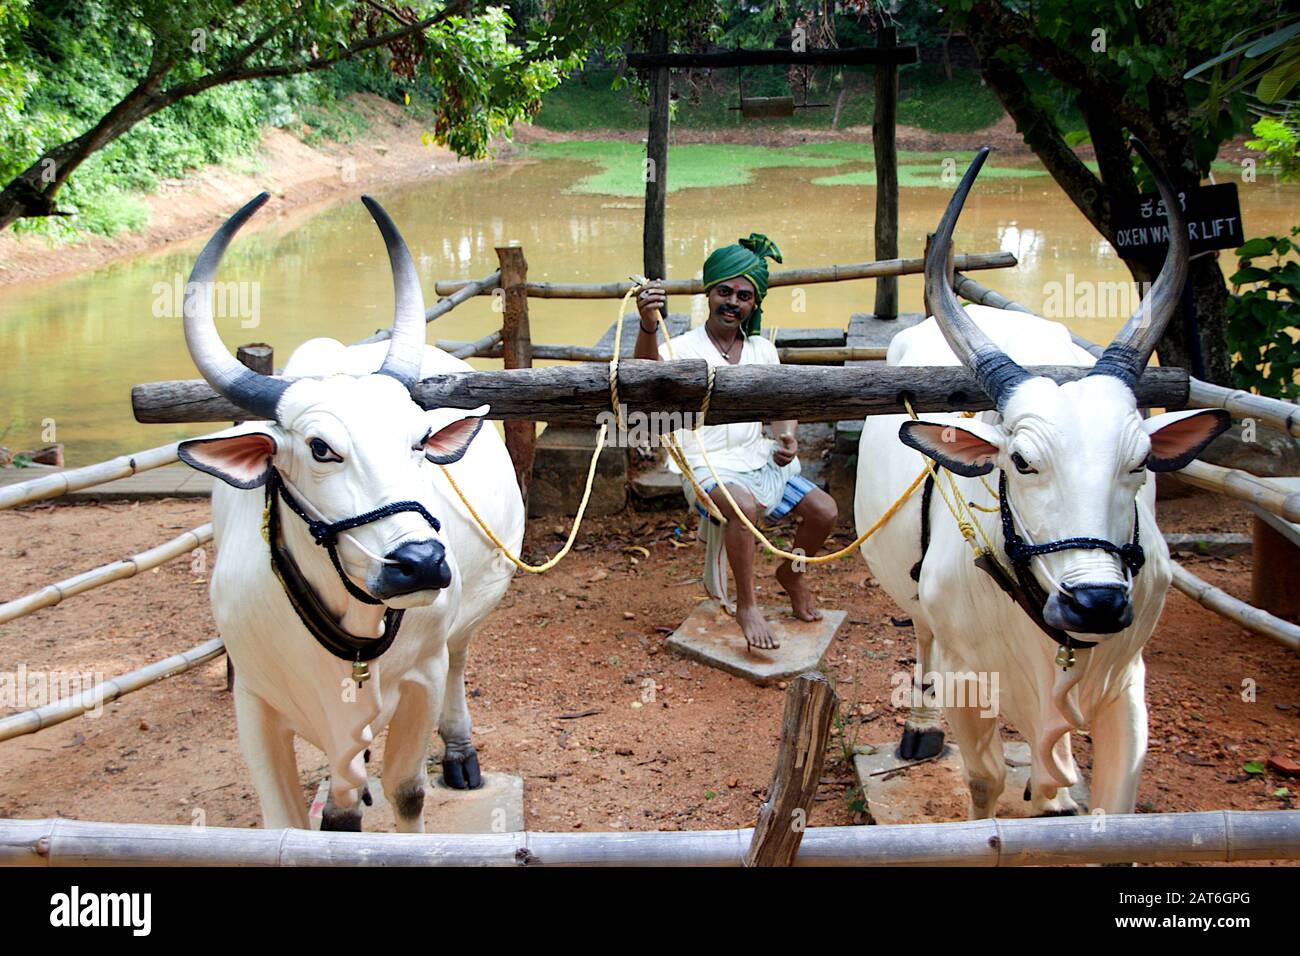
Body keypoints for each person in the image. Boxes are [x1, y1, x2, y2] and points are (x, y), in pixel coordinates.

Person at [634, 234, 838, 651]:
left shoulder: (763, 350)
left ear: (754, 304)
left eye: (744, 296)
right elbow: (643, 378)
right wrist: (647, 323)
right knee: (742, 507)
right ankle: (747, 604)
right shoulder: (682, 348)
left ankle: (792, 574)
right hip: (704, 464)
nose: (733, 302)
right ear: (709, 294)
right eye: (724, 291)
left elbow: (784, 404)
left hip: (756, 458)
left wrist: (788, 438)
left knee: (824, 512)